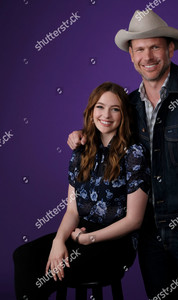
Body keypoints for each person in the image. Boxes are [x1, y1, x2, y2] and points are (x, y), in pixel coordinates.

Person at [67, 10, 178, 300]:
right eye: (140, 49)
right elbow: (108, 139)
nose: (148, 56)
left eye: (155, 47)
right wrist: (82, 136)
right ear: (132, 56)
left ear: (170, 49)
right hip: (148, 236)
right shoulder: (128, 107)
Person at [13, 82, 150, 300]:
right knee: (23, 256)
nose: (106, 114)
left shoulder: (134, 153)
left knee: (45, 273)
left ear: (124, 115)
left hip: (115, 243)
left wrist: (89, 239)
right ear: (91, 111)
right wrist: (59, 240)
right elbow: (72, 211)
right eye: (100, 107)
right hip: (81, 232)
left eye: (115, 109)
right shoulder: (81, 152)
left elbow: (134, 220)